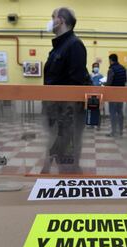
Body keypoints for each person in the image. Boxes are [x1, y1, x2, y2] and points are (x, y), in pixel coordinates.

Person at [41, 7, 88, 174]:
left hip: (67, 118)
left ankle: (72, 192)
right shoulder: (59, 47)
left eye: (52, 17)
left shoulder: (74, 45)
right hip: (56, 114)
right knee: (60, 157)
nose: (50, 21)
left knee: (67, 161)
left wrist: (65, 122)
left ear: (60, 20)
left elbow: (76, 86)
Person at [105, 53, 126, 137]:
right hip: (121, 94)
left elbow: (109, 83)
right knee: (120, 112)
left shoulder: (111, 69)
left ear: (110, 60)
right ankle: (120, 131)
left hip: (113, 94)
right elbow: (125, 80)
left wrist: (104, 84)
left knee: (113, 113)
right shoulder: (123, 68)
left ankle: (114, 131)